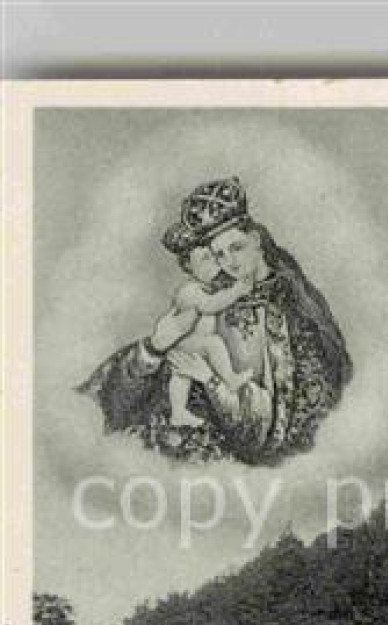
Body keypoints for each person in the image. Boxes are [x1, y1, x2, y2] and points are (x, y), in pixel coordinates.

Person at [78, 178, 351, 465]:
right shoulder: (210, 295)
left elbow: (268, 431)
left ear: (256, 240)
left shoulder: (295, 318)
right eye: (219, 254)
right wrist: (152, 349)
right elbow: (116, 395)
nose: (229, 263)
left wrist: (209, 380)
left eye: (236, 247)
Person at [158, 222, 254, 427]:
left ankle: (178, 413)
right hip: (185, 342)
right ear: (188, 267)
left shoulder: (206, 286)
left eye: (214, 258)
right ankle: (230, 379)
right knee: (214, 343)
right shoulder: (189, 291)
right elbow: (210, 305)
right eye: (204, 260)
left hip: (193, 344)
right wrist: (237, 291)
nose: (215, 264)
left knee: (182, 378)